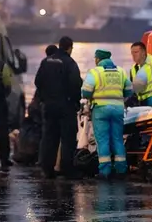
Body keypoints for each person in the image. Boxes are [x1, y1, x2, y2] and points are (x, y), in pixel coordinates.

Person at [81, 48, 133, 179]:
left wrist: (92, 96)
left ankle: (105, 171)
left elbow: (86, 91)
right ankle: (121, 170)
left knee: (103, 140)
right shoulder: (121, 71)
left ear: (98, 59)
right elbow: (129, 90)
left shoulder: (95, 72)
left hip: (100, 110)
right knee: (117, 139)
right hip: (118, 109)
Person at [36, 36, 82, 178]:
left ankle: (47, 169)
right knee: (67, 138)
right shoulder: (70, 63)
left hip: (49, 106)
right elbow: (76, 84)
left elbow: (38, 81)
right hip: (65, 106)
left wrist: (44, 98)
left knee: (49, 137)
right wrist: (75, 101)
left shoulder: (46, 61)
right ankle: (67, 169)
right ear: (70, 48)